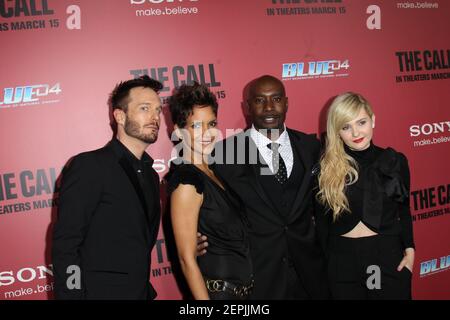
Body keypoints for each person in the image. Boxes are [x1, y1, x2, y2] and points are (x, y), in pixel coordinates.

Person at [199, 75, 329, 299]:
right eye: (260, 100)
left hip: (311, 278)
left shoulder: (311, 147)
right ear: (247, 107)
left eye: (276, 99)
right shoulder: (223, 155)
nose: (269, 108)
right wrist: (193, 239)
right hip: (258, 281)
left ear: (286, 102)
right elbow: (208, 207)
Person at [52, 75, 163, 300]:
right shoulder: (90, 166)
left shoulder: (151, 174)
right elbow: (67, 246)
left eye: (158, 110)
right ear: (120, 116)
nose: (155, 117)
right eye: (144, 108)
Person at [314, 92, 415, 299]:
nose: (355, 132)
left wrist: (410, 250)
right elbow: (322, 225)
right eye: (345, 127)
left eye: (361, 122)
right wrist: (327, 264)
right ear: (337, 131)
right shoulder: (326, 169)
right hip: (342, 261)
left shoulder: (393, 162)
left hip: (382, 256)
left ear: (373, 120)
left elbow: (403, 210)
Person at [166, 83, 253, 300]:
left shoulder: (214, 171)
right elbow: (186, 260)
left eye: (211, 124)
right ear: (178, 130)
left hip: (242, 294)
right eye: (196, 126)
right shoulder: (186, 181)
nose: (207, 133)